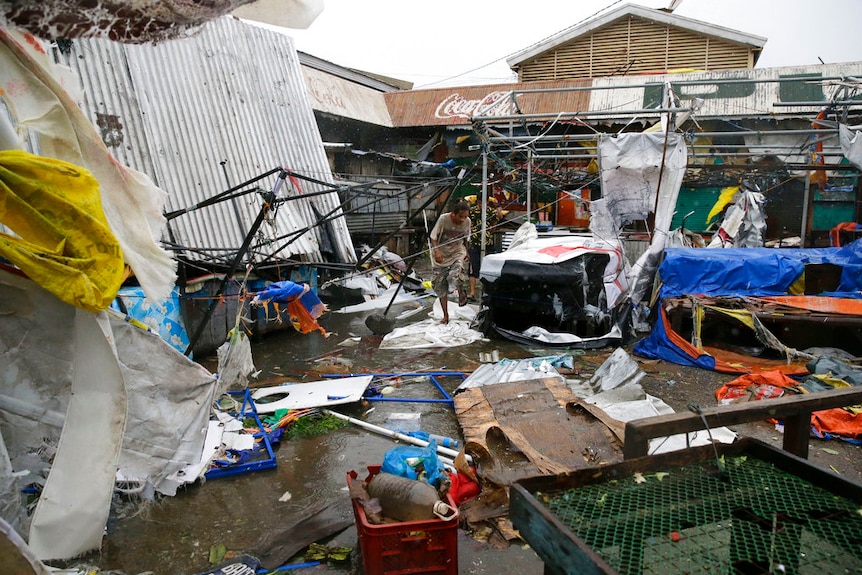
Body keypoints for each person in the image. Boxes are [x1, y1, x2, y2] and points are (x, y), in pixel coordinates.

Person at [429, 200, 471, 325]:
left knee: (454, 275)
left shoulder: (467, 222)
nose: (463, 220)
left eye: (465, 216)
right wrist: (436, 251)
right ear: (453, 214)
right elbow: (433, 237)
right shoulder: (444, 219)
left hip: (457, 252)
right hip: (441, 255)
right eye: (461, 216)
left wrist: (467, 252)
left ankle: (461, 291)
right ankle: (445, 316)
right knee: (439, 286)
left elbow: (466, 238)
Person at [467, 195, 503, 300]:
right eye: (479, 203)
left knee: (488, 268)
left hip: (488, 242)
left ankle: (487, 291)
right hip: (474, 242)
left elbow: (496, 221)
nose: (481, 205)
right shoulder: (472, 211)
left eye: (483, 203)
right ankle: (472, 292)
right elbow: (468, 221)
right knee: (473, 267)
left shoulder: (491, 211)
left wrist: (497, 207)